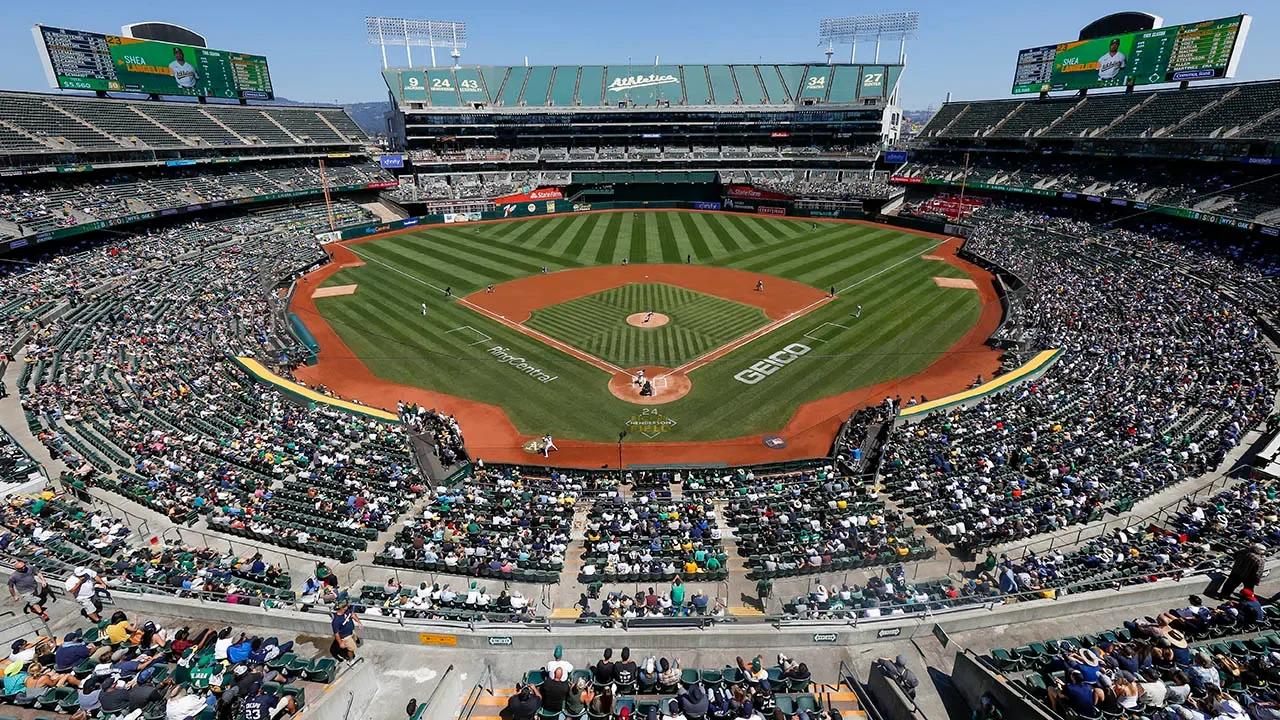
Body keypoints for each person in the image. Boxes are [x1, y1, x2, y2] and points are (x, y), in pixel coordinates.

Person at [331, 601, 360, 666]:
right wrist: (340, 643)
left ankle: (351, 654)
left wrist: (358, 622)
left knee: (354, 642)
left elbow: (353, 614)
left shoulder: (347, 611)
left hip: (351, 632)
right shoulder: (336, 621)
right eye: (346, 606)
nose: (347, 607)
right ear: (342, 608)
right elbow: (336, 634)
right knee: (351, 649)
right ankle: (350, 660)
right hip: (345, 636)